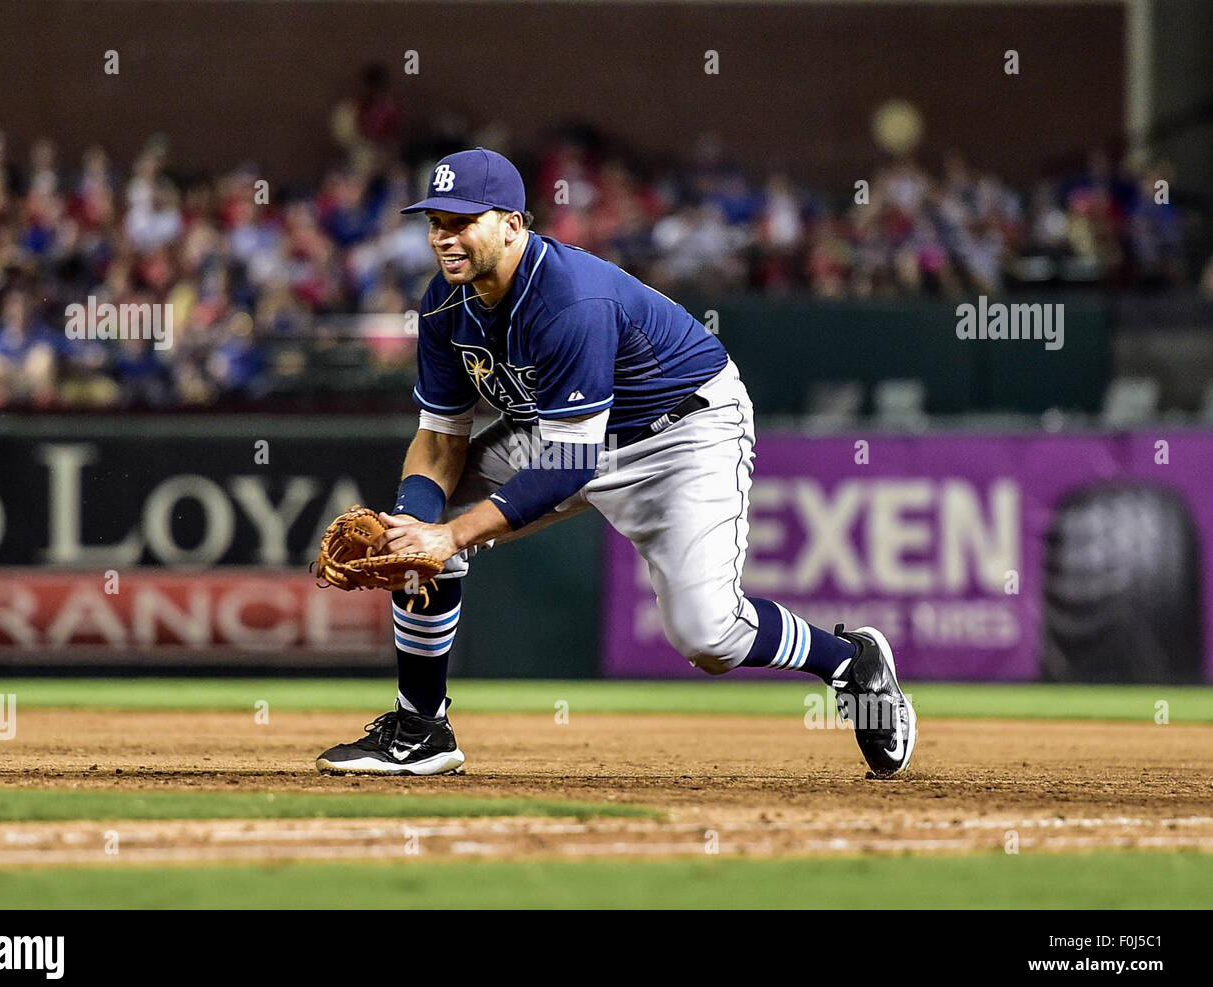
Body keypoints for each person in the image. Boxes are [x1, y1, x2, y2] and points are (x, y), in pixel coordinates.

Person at [315, 148, 916, 777]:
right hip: (556, 433)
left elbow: (572, 465)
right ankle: (421, 728)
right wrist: (416, 525)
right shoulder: (445, 305)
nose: (445, 237)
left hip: (680, 434)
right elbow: (440, 440)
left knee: (708, 637)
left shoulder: (569, 299)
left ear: (513, 224)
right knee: (412, 537)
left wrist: (448, 535)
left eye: (462, 221)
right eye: (436, 222)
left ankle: (848, 660)